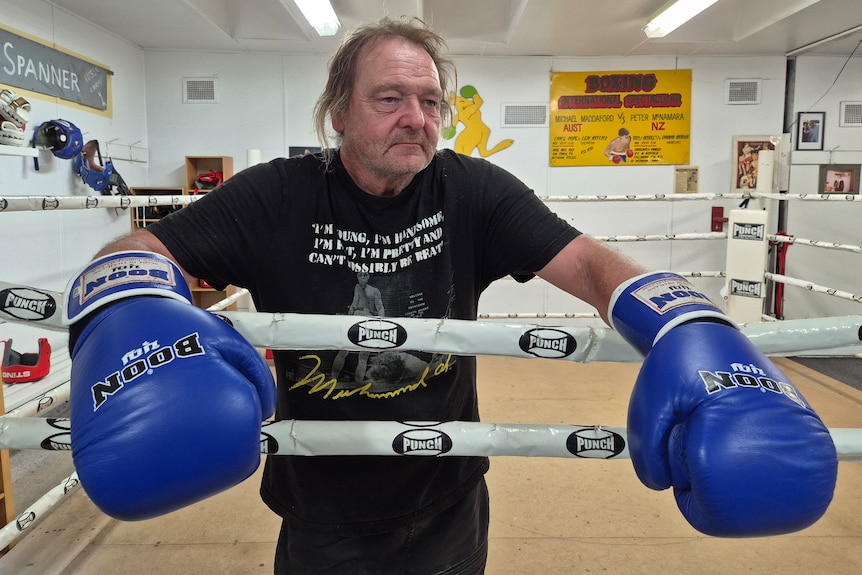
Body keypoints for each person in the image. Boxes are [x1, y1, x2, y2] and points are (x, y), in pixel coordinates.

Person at [63, 17, 837, 575]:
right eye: (390, 98)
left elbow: (595, 268)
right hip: (321, 502)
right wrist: (135, 310)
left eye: (432, 101)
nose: (417, 118)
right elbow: (136, 247)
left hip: (448, 493)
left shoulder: (471, 190)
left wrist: (690, 327)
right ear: (338, 115)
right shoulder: (278, 194)